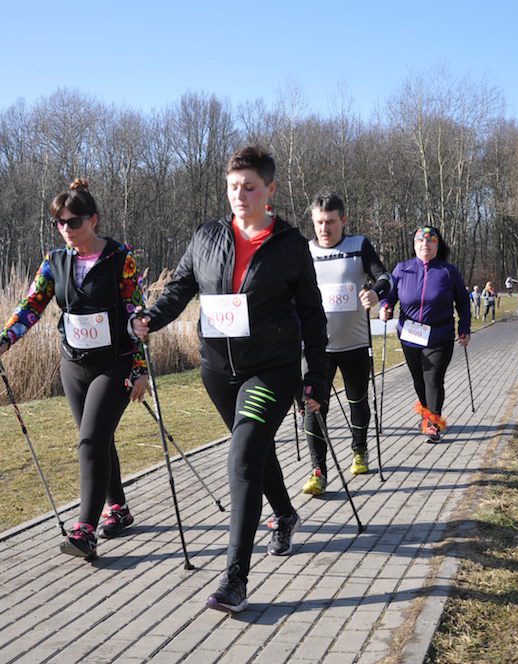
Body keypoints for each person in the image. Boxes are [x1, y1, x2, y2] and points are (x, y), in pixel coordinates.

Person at [132, 146, 327, 614]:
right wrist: (151, 318)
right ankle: (285, 514)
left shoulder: (290, 245)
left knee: (241, 457)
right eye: (233, 187)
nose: (240, 195)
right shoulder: (207, 236)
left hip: (270, 370)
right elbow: (180, 287)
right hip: (218, 371)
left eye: (250, 187)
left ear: (270, 190)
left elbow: (311, 314)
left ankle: (235, 579)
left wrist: (316, 377)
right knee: (253, 451)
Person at [0, 179, 149, 560]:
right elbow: (32, 305)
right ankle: (118, 508)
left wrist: (140, 368)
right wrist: (3, 340)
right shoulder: (54, 261)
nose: (66, 229)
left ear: (94, 220)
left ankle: (85, 530)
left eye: (74, 222)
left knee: (90, 440)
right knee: (98, 438)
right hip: (74, 364)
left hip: (114, 364)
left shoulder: (120, 258)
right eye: (59, 222)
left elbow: (136, 314)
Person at [301, 191, 392, 496]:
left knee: (358, 403)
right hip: (317, 350)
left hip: (354, 345)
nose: (324, 228)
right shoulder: (304, 252)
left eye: (330, 222)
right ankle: (318, 471)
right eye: (319, 222)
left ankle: (360, 450)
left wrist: (376, 293)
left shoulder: (359, 246)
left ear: (343, 220)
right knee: (314, 407)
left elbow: (385, 277)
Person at [379, 225, 471, 443]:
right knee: (418, 380)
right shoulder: (403, 269)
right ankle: (426, 412)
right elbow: (389, 295)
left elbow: (463, 301)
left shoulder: (448, 271)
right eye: (420, 240)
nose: (425, 244)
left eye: (430, 240)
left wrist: (464, 328)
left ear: (437, 245)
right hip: (410, 335)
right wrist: (385, 307)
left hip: (440, 335)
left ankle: (433, 423)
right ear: (414, 245)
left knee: (433, 378)